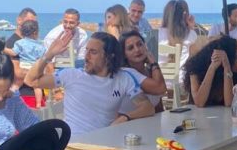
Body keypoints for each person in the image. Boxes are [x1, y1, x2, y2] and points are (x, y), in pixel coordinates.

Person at [26, 30, 155, 137]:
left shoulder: (123, 78)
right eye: (86, 51)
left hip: (105, 143)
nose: (86, 57)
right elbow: (31, 81)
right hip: (73, 145)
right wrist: (49, 54)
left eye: (93, 52)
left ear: (109, 56)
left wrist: (125, 117)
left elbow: (148, 107)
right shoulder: (72, 75)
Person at [183, 35, 237, 108]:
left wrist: (227, 67)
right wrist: (212, 68)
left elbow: (229, 103)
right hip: (198, 114)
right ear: (230, 58)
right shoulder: (195, 68)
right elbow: (199, 102)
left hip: (224, 115)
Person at [158, 0, 199, 72]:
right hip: (180, 78)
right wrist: (191, 27)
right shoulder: (190, 34)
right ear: (185, 16)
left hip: (158, 78)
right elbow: (196, 58)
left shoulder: (156, 34)